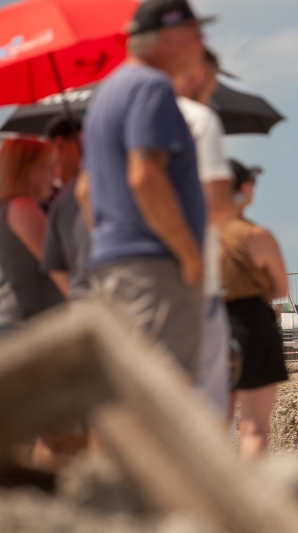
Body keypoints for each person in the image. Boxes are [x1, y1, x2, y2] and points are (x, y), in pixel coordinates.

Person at [80, 0, 211, 376]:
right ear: (168, 37)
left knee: (130, 397)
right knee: (167, 398)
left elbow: (85, 191)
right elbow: (145, 176)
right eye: (196, 33)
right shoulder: (151, 86)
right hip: (155, 265)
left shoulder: (107, 91)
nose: (202, 42)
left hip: (114, 262)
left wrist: (114, 240)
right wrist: (189, 255)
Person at [173, 46, 235, 417]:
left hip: (134, 278)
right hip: (196, 281)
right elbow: (218, 206)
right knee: (207, 412)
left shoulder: (115, 115)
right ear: (199, 75)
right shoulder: (199, 119)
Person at [219, 159, 288, 458]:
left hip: (209, 323)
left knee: (213, 427)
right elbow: (281, 288)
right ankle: (250, 504)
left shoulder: (194, 233)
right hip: (251, 324)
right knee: (254, 429)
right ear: (242, 189)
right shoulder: (254, 235)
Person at [0, 138, 67, 333]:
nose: (54, 174)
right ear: (27, 171)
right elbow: (58, 267)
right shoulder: (21, 207)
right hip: (31, 328)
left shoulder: (6, 209)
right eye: (48, 166)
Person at [41, 118, 92, 301]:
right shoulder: (55, 200)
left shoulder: (60, 199)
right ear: (60, 145)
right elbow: (53, 264)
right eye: (82, 140)